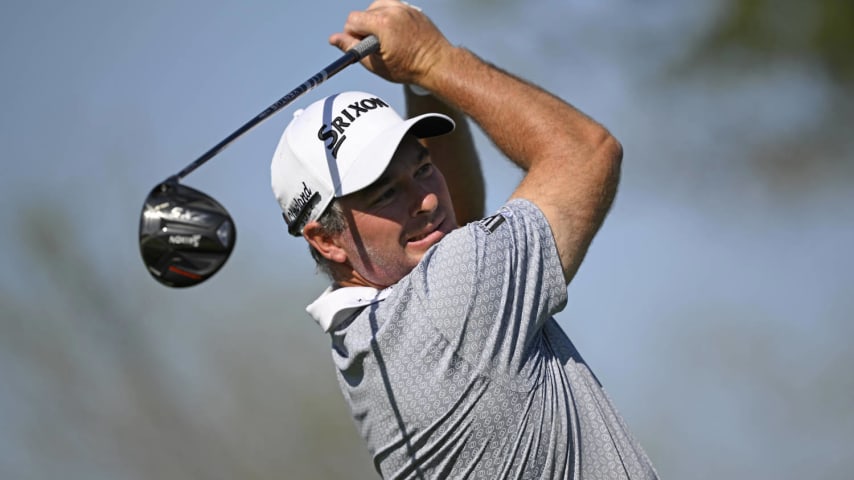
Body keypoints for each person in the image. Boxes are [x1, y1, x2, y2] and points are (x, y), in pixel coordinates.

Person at [270, 1, 659, 478]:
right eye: (388, 192)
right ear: (325, 239)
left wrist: (418, 84)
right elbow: (586, 153)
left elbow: (460, 232)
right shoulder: (450, 309)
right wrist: (434, 61)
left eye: (423, 167)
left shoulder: (362, 339)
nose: (428, 200)